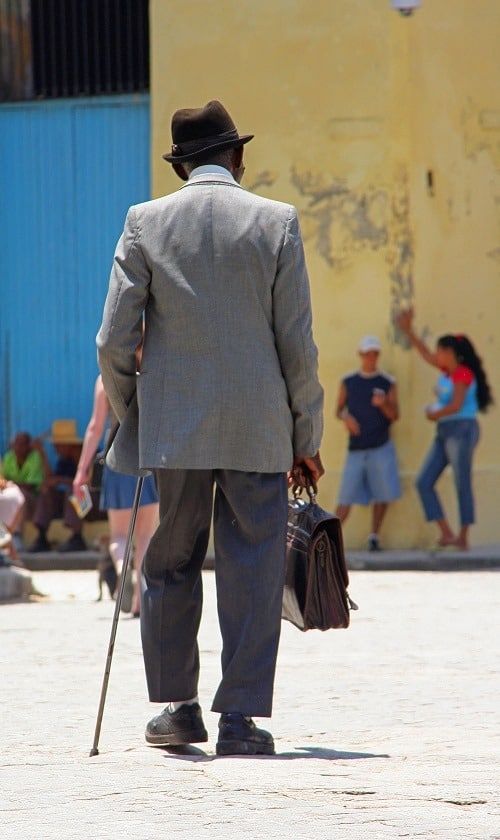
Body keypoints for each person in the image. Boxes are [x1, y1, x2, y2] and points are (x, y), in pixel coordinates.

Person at [96, 99, 324, 756]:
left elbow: (113, 340)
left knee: (169, 562)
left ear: (180, 167)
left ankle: (179, 709)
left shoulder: (145, 222)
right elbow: (298, 345)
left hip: (175, 429)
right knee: (253, 563)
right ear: (237, 157)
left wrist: (134, 414)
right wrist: (305, 438)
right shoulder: (276, 221)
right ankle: (241, 721)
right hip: (259, 426)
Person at [396, 308, 493, 549]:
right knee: (424, 481)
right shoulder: (446, 372)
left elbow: (456, 404)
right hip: (444, 431)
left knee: (461, 482)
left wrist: (433, 413)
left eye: (441, 350)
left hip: (461, 429)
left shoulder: (462, 374)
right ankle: (447, 532)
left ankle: (463, 537)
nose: (437, 354)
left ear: (450, 353)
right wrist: (408, 330)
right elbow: (425, 353)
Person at [72, 370, 159, 617]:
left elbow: (95, 427)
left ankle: (122, 571)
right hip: (148, 460)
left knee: (119, 536)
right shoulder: (151, 371)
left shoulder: (104, 379)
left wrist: (81, 471)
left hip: (117, 460)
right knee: (145, 536)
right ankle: (141, 600)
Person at [335, 335, 401, 551]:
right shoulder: (349, 381)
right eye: (367, 353)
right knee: (346, 496)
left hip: (380, 445)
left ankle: (374, 536)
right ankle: (329, 539)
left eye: (374, 353)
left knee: (382, 494)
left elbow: (395, 415)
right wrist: (346, 418)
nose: (370, 358)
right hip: (356, 447)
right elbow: (339, 409)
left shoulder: (387, 382)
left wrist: (383, 406)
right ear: (360, 355)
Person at [27, 420, 89, 553]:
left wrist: (61, 480)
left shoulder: (90, 456)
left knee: (73, 492)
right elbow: (52, 479)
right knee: (47, 492)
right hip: (69, 505)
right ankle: (42, 536)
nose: (55, 449)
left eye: (58, 445)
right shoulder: (63, 461)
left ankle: (77, 537)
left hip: (91, 505)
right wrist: (42, 455)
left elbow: (89, 483)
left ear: (69, 445)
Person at [2, 431, 46, 545]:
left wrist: (10, 485)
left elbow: (29, 486)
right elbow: (3, 482)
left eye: (22, 445)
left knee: (19, 495)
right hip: (12, 499)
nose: (19, 448)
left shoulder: (34, 457)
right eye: (16, 445)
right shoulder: (8, 457)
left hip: (32, 502)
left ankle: (17, 536)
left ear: (29, 446)